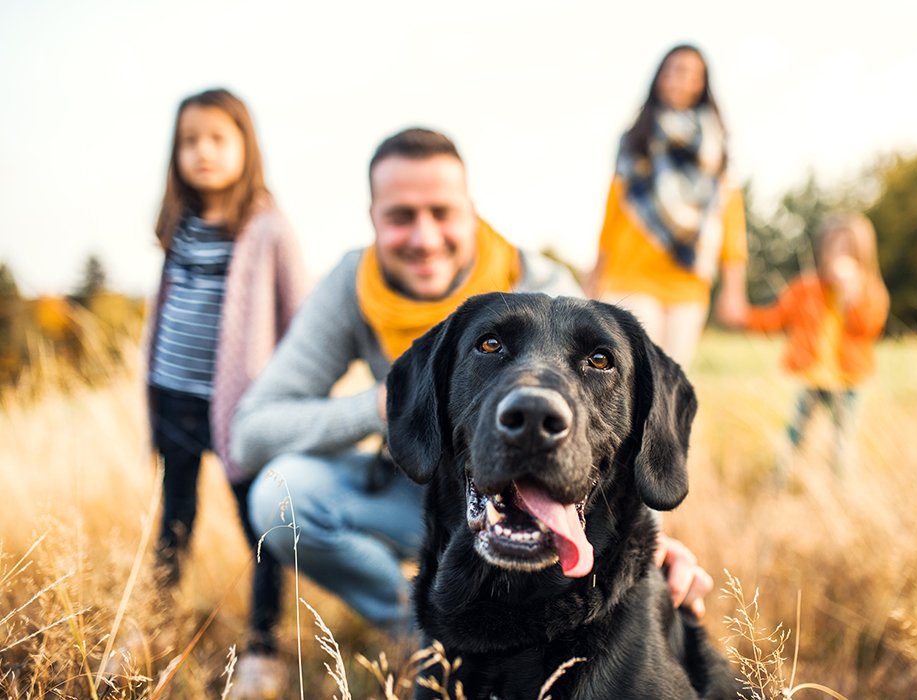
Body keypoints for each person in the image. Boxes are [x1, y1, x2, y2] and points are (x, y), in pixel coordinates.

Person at [231, 128, 716, 646]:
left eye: (441, 212)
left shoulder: (544, 288)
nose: (424, 237)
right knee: (280, 496)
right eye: (400, 216)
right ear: (373, 218)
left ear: (471, 211)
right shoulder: (353, 286)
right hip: (417, 482)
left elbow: (606, 426)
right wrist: (388, 406)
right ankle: (425, 634)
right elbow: (251, 433)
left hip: (537, 486)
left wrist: (655, 543)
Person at [142, 88, 308, 695]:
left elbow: (301, 318)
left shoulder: (267, 224)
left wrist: (289, 399)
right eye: (190, 142)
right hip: (174, 398)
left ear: (245, 146)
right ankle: (154, 627)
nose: (203, 152)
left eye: (217, 139)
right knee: (174, 519)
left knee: (261, 524)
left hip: (243, 411)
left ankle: (264, 647)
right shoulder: (178, 224)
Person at [589, 44, 748, 368]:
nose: (681, 79)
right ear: (659, 77)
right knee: (632, 371)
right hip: (630, 275)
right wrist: (594, 276)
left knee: (670, 379)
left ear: (702, 85)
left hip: (688, 282)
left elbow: (730, 218)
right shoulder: (636, 139)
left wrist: (734, 289)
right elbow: (613, 212)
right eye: (674, 69)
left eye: (692, 73)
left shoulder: (716, 148)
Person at [735, 212, 890, 479]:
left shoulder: (869, 290)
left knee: (842, 438)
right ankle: (779, 479)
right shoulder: (805, 289)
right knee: (795, 433)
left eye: (847, 249)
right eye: (833, 248)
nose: (838, 256)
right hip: (812, 377)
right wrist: (743, 318)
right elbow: (775, 318)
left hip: (848, 381)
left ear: (862, 254)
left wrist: (851, 296)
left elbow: (870, 327)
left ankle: (841, 484)